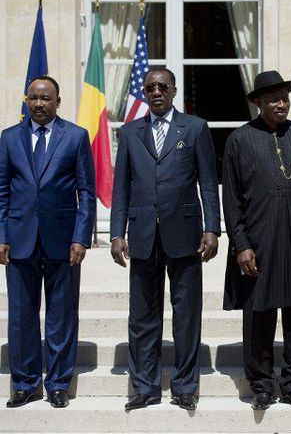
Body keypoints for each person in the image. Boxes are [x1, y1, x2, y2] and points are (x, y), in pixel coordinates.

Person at [110, 66, 221, 411]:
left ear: (174, 91)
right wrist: (116, 233)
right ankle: (144, 387)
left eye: (162, 87)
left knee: (186, 313)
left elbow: (207, 181)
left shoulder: (196, 128)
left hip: (185, 234)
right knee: (142, 316)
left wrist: (212, 228)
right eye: (150, 87)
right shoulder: (130, 133)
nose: (156, 92)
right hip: (142, 233)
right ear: (144, 92)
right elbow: (121, 188)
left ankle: (185, 386)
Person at [222, 70, 291, 411]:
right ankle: (262, 385)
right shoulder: (239, 139)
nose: (281, 104)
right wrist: (241, 245)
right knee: (259, 315)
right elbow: (232, 200)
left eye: (284, 98)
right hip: (258, 242)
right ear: (257, 103)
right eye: (272, 99)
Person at [0, 76, 96, 408]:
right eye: (34, 98)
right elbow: (2, 192)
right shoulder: (9, 138)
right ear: (27, 101)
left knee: (62, 315)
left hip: (63, 241)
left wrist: (82, 237)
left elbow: (86, 192)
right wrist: (1, 236)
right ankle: (24, 384)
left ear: (58, 102)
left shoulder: (76, 136)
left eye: (46, 98)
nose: (39, 104)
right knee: (22, 316)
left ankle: (57, 383)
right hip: (20, 240)